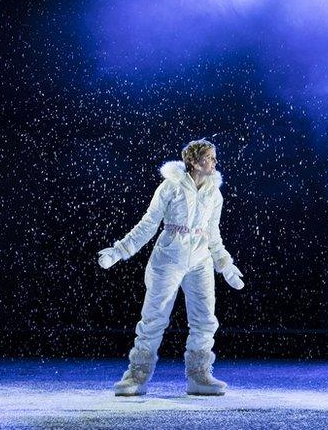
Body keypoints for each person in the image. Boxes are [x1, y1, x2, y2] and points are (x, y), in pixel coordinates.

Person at [97, 139, 246, 396]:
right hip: (168, 259)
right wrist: (119, 251)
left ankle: (199, 376)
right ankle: (137, 375)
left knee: (204, 319)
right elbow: (148, 223)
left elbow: (213, 234)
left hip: (200, 261)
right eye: (209, 157)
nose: (214, 162)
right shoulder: (171, 186)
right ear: (193, 161)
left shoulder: (214, 193)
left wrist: (226, 265)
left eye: (214, 157)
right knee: (154, 317)